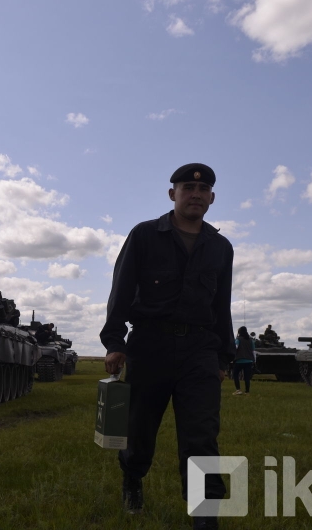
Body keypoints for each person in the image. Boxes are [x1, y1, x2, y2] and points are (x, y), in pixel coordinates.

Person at [100, 163, 234, 530]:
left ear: (212, 198)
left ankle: (205, 516)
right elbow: (121, 290)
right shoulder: (145, 235)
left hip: (200, 350)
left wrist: (223, 357)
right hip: (150, 345)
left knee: (202, 436)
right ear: (172, 194)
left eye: (203, 189)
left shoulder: (220, 247)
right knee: (140, 429)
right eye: (188, 188)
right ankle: (133, 477)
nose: (196, 194)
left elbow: (221, 304)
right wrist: (114, 342)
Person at [232, 326, 255, 395]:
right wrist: (254, 361)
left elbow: (236, 347)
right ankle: (247, 391)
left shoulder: (238, 339)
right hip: (249, 361)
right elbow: (253, 351)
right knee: (247, 377)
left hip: (239, 360)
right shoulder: (251, 340)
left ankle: (238, 390)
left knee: (235, 374)